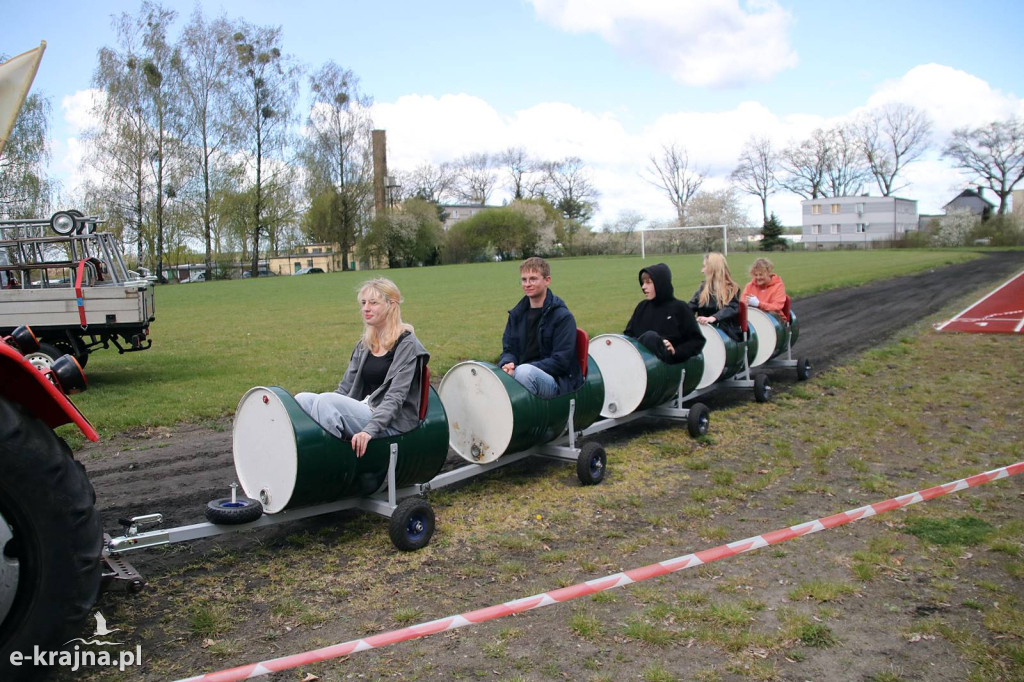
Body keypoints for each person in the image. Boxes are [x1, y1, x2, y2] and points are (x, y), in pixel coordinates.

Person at [295, 278, 428, 457]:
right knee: (302, 400)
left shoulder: (407, 344)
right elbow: (344, 388)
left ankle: (327, 464)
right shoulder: (366, 343)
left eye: (373, 303)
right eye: (364, 303)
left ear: (392, 305)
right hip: (364, 407)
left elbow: (395, 397)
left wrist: (369, 430)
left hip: (390, 420)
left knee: (325, 402)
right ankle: (301, 455)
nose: (366, 308)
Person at [499, 256, 584, 398]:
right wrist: (508, 363)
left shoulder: (562, 317)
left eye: (533, 279)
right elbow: (509, 348)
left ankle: (525, 418)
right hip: (521, 372)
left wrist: (520, 369)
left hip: (556, 382)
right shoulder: (517, 315)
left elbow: (560, 361)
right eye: (524, 280)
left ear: (547, 280)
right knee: (485, 372)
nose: (527, 284)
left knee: (525, 373)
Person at [624, 263, 705, 364]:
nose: (643, 287)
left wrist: (676, 351)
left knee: (651, 337)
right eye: (643, 283)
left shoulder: (680, 308)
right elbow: (628, 335)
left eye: (648, 282)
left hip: (668, 365)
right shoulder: (642, 307)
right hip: (640, 362)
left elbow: (697, 341)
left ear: (660, 284)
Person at [688, 252, 742, 341]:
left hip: (727, 333)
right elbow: (691, 306)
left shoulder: (732, 288)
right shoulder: (703, 288)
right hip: (706, 330)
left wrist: (713, 318)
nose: (702, 271)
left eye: (705, 266)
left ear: (713, 269)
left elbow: (731, 308)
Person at [742, 257, 788, 321]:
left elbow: (776, 307)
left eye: (761, 275)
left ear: (768, 273)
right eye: (756, 275)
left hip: (774, 319)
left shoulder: (778, 286)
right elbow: (742, 304)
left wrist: (758, 304)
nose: (758, 277)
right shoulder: (749, 286)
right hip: (754, 318)